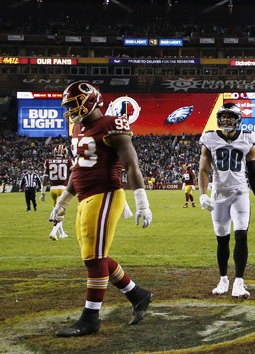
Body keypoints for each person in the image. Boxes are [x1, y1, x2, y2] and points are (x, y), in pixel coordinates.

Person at [49, 81, 153, 337]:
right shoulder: (78, 129)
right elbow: (78, 169)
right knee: (95, 255)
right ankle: (138, 295)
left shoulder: (111, 124)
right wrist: (63, 202)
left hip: (105, 193)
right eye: (69, 106)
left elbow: (131, 164)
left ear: (91, 100)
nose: (72, 110)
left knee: (94, 259)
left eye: (75, 104)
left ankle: (90, 318)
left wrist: (141, 201)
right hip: (86, 197)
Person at [198, 103, 255, 299]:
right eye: (223, 116)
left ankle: (239, 282)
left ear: (238, 119)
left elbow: (253, 172)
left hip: (240, 193)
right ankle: (222, 280)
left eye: (230, 116)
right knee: (222, 239)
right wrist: (203, 194)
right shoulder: (209, 138)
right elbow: (203, 169)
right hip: (218, 194)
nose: (226, 120)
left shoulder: (248, 138)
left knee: (241, 235)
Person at [41, 143, 72, 240]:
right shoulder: (68, 161)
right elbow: (73, 175)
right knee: (61, 213)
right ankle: (53, 232)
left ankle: (62, 233)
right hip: (63, 189)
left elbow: (45, 179)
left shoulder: (48, 161)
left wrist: (42, 193)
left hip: (52, 189)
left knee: (57, 211)